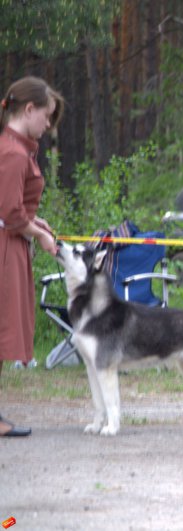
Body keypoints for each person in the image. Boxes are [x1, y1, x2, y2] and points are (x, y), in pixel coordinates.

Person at [0, 76, 63, 437]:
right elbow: (8, 213)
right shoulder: (11, 152)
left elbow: (13, 207)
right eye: (46, 116)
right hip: (6, 248)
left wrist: (34, 219)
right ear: (28, 110)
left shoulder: (19, 148)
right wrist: (37, 234)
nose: (48, 124)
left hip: (11, 243)